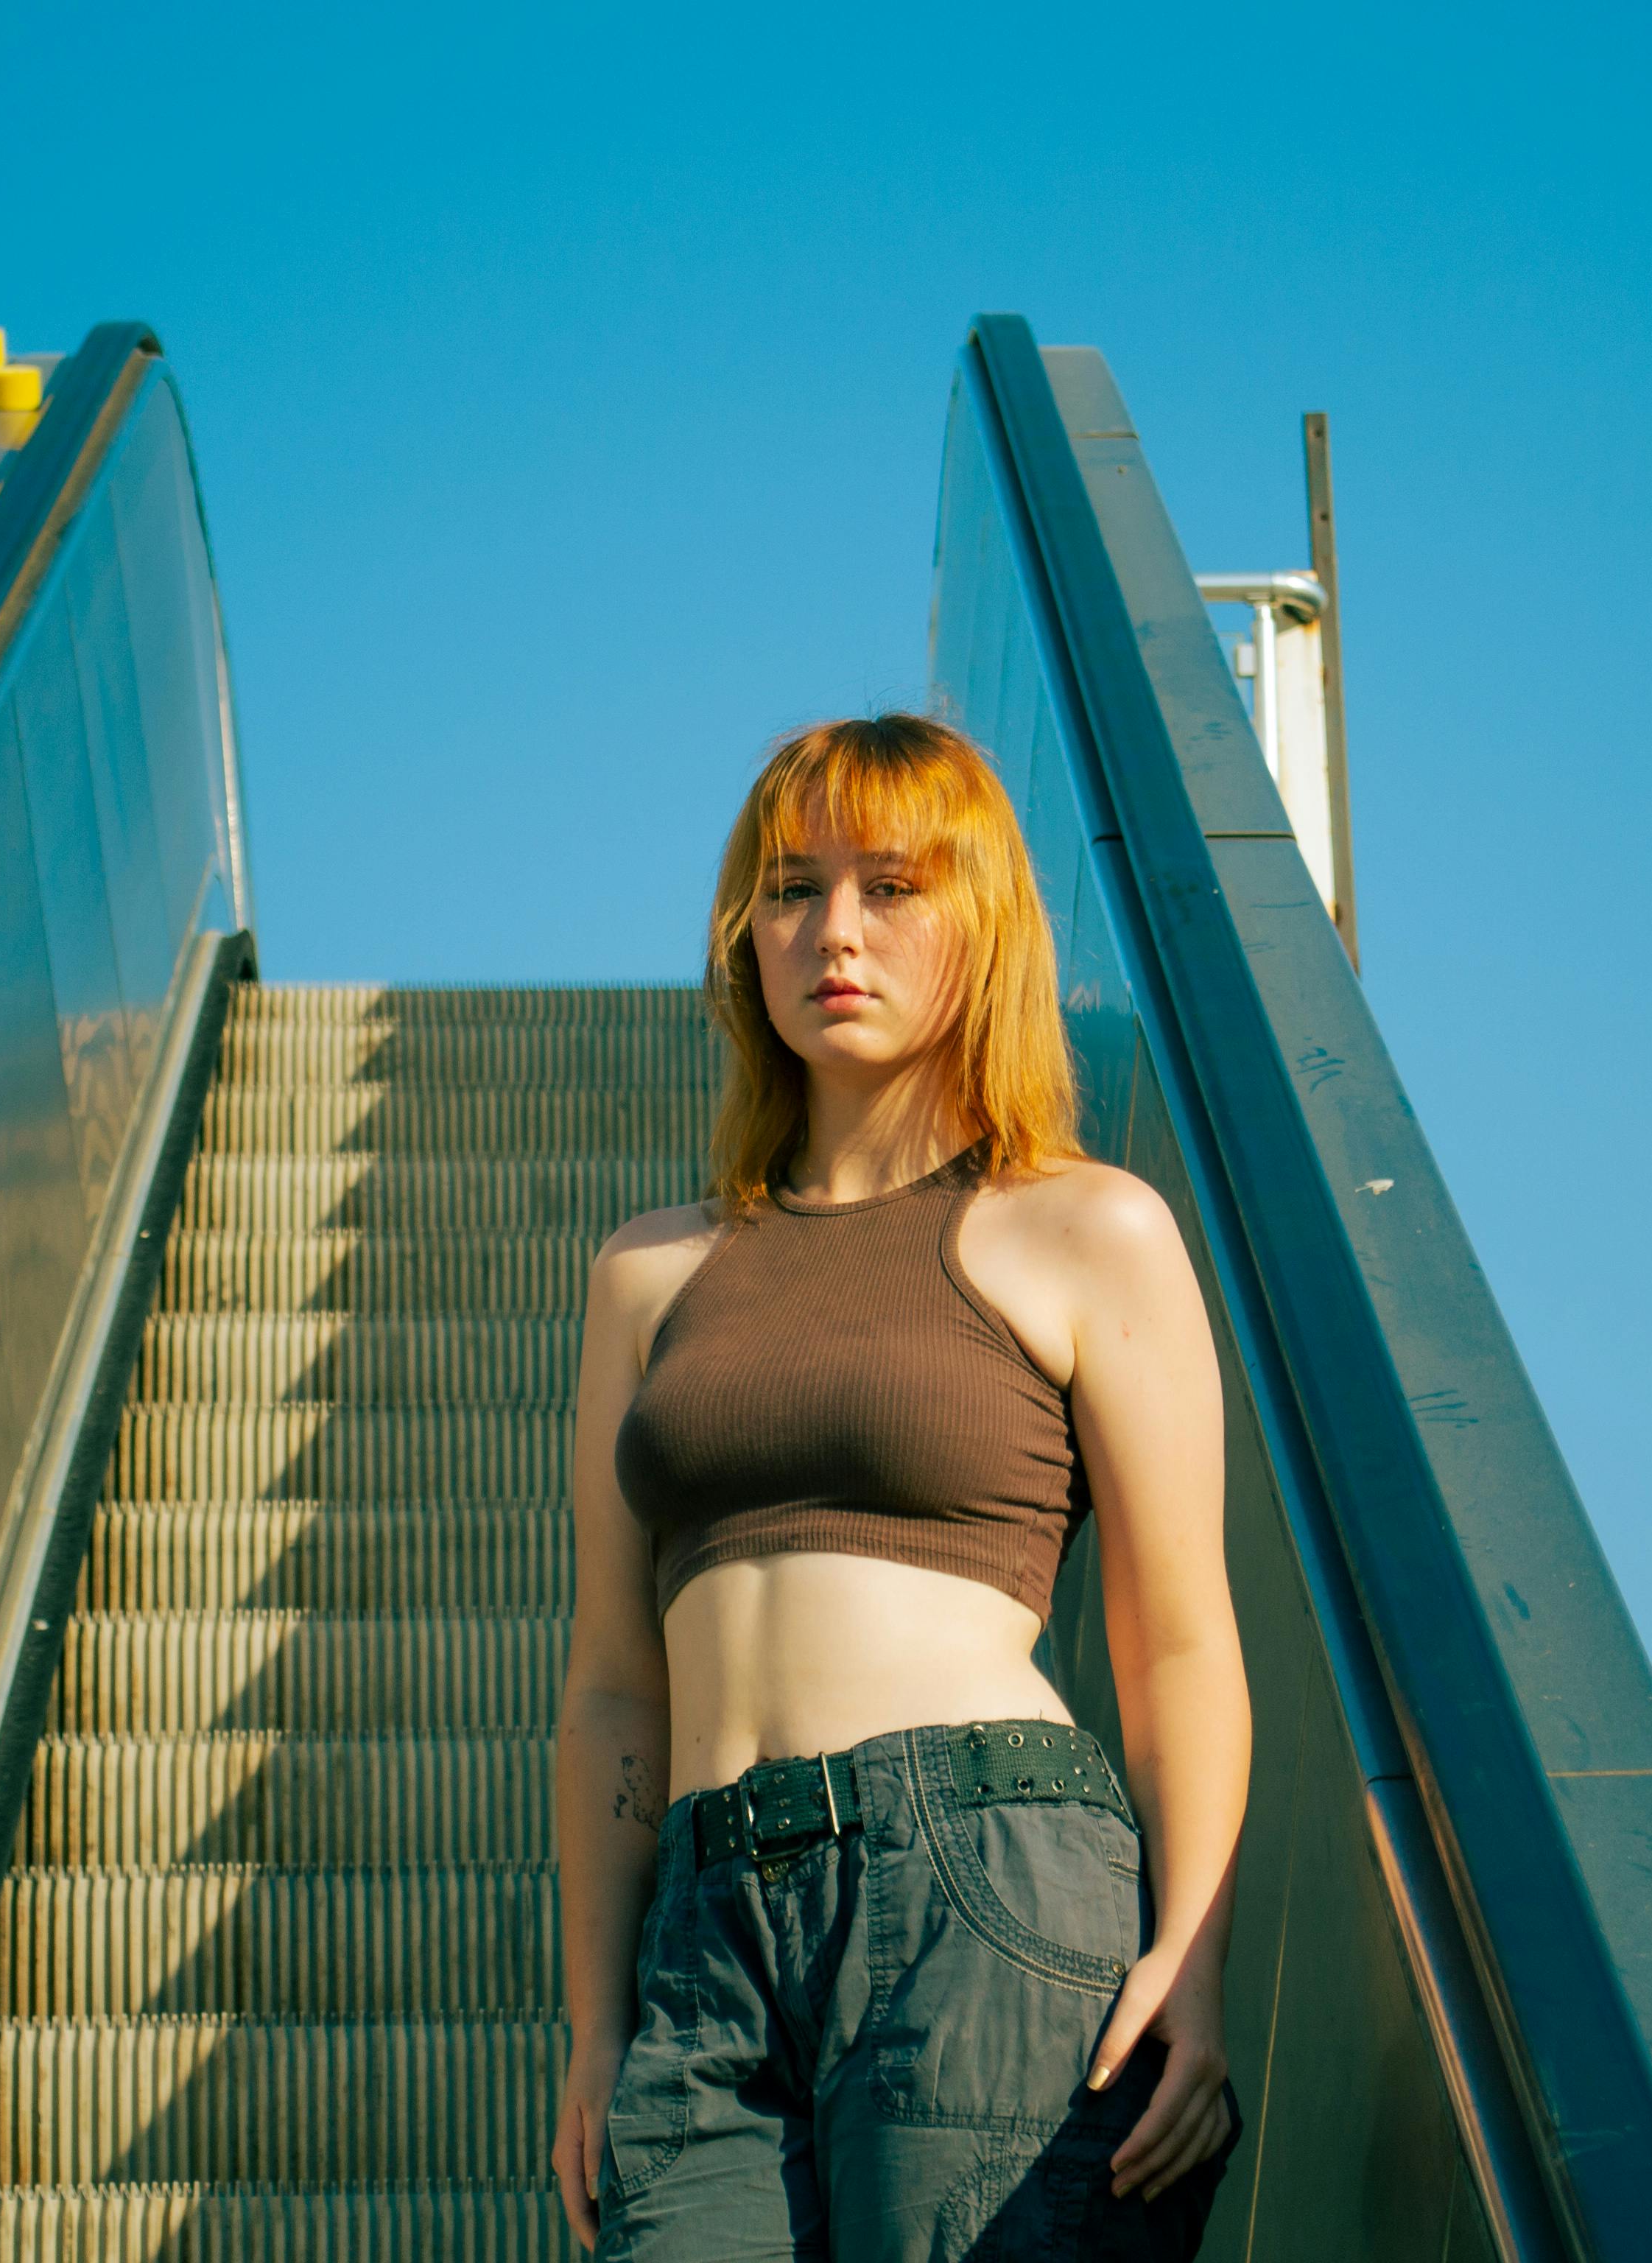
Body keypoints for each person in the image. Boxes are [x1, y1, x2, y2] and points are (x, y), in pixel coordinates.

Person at [549, 715, 1251, 2259]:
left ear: (982, 918)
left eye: (893, 887)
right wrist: (597, 2026)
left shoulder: (1081, 1227)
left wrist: (1190, 1963)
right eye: (793, 889)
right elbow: (611, 1685)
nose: (836, 934)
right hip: (703, 1927)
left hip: (979, 1875)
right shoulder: (649, 1273)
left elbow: (1180, 1638)